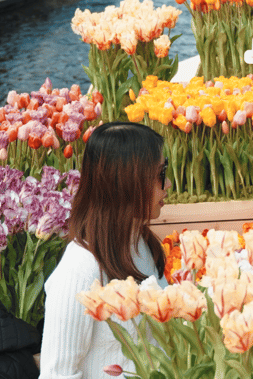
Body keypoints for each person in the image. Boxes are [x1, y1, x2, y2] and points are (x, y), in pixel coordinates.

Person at [39, 121, 171, 379]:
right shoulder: (80, 270)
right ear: (126, 183)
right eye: (159, 174)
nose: (166, 186)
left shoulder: (141, 243)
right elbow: (58, 375)